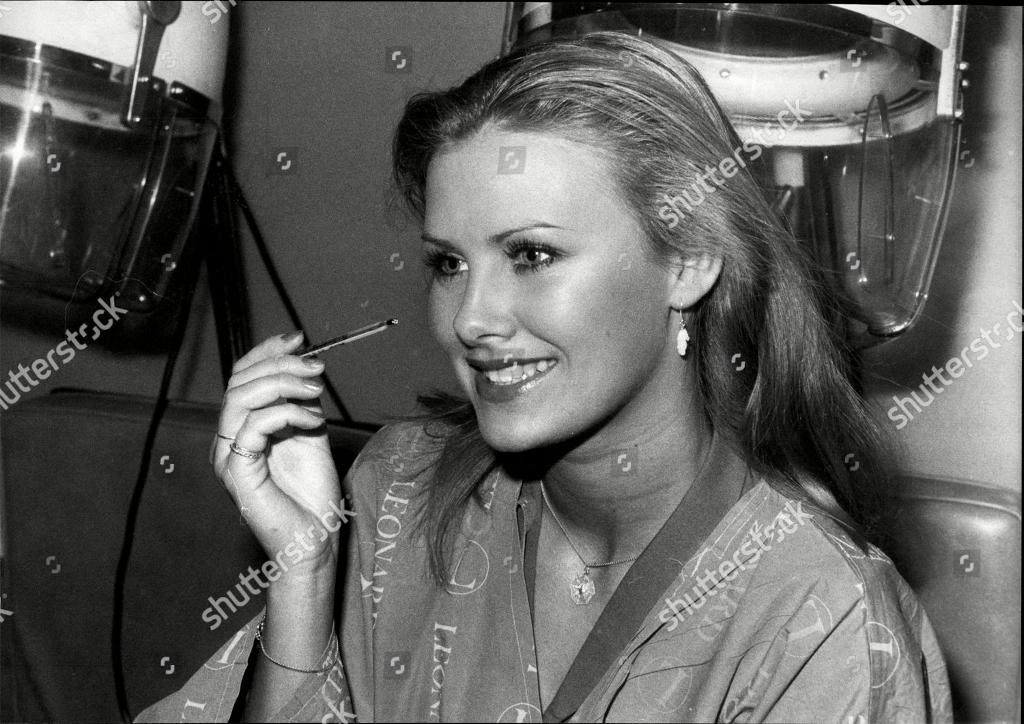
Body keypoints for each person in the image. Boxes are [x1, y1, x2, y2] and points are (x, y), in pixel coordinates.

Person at [138, 31, 950, 723]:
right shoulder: (397, 497)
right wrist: (305, 574)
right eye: (448, 264)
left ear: (689, 261)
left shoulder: (817, 618)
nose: (470, 318)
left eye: (531, 254)